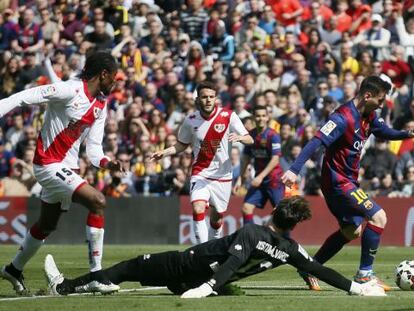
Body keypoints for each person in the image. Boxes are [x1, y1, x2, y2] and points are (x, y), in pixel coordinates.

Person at [44, 196, 386, 298]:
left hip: (188, 268)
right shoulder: (292, 249)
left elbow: (232, 262)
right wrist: (354, 287)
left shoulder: (253, 232)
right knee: (141, 277)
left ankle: (65, 287)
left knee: (131, 266)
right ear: (293, 224)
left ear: (274, 212)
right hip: (194, 279)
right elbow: (318, 269)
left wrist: (208, 288)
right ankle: (103, 284)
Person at [0, 51, 123, 294]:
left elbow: (95, 149)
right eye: (114, 78)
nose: (115, 83)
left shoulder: (100, 104)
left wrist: (108, 162)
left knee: (47, 224)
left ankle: (13, 269)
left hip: (67, 168)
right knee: (98, 201)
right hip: (47, 164)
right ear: (103, 74)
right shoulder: (69, 90)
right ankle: (96, 275)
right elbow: (25, 97)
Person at [281, 76, 414, 291]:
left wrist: (408, 133)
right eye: (380, 101)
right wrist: (294, 169)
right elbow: (316, 141)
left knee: (352, 231)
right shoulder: (342, 118)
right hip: (337, 182)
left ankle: (310, 268)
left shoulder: (370, 115)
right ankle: (364, 275)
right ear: (367, 95)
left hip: (349, 181)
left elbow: (386, 132)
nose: (382, 105)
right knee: (379, 217)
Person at [150, 81, 253, 244]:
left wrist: (240, 137)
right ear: (198, 99)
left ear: (216, 98)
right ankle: (202, 252)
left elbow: (250, 138)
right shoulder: (190, 120)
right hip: (201, 173)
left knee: (217, 217)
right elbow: (181, 144)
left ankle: (214, 244)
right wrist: (165, 152)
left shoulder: (228, 116)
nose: (208, 100)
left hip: (223, 175)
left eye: (211, 97)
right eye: (204, 97)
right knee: (198, 208)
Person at [235, 106, 284, 225]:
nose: (260, 118)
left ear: (267, 117)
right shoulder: (250, 136)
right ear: (253, 117)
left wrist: (260, 177)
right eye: (257, 116)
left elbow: (275, 159)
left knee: (281, 213)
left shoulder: (273, 135)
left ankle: (286, 242)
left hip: (274, 180)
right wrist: (240, 178)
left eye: (263, 115)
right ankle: (250, 239)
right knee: (246, 208)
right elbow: (246, 158)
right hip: (259, 180)